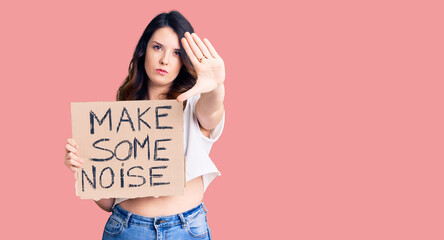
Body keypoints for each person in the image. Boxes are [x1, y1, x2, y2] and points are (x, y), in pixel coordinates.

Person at [64, 10, 225, 240]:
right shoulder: (118, 116)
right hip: (126, 229)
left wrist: (216, 86)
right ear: (143, 50)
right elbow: (108, 202)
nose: (165, 60)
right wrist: (83, 169)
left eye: (177, 52)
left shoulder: (194, 105)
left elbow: (212, 111)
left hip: (186, 230)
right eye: (157, 47)